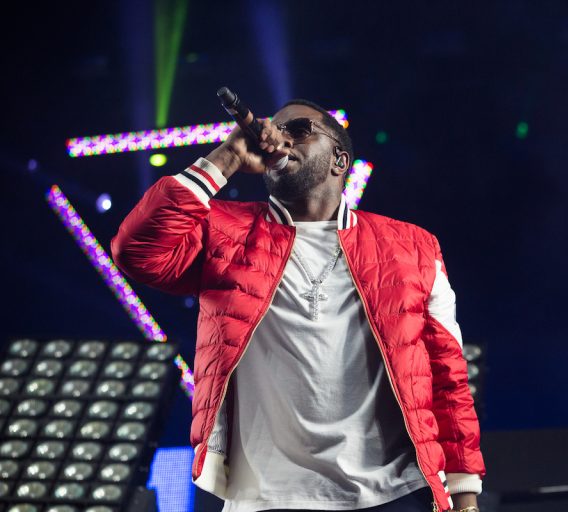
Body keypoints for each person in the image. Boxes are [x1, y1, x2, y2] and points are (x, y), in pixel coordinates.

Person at [112, 98, 486, 512]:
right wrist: (229, 155)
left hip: (394, 492)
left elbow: (448, 377)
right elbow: (136, 251)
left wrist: (465, 499)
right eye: (275, 129)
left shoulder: (413, 246)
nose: (279, 138)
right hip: (264, 497)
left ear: (339, 160)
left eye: (299, 130)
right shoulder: (222, 232)